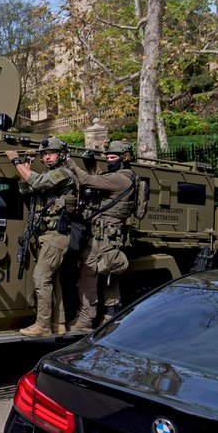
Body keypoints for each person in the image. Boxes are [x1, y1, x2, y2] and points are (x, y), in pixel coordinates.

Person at [6, 137, 78, 337]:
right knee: (52, 280)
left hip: (57, 235)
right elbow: (27, 188)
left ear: (61, 155)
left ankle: (43, 325)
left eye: (51, 153)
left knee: (41, 276)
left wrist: (15, 161)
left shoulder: (63, 174)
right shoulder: (50, 175)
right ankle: (58, 323)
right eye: (44, 154)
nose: (46, 157)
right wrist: (25, 166)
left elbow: (35, 181)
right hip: (47, 235)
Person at [64, 140, 137, 329]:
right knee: (108, 279)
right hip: (109, 238)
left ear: (125, 158)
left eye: (113, 157)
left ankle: (87, 319)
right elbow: (98, 178)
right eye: (108, 157)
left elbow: (87, 180)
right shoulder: (126, 177)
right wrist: (92, 165)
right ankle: (108, 318)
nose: (109, 160)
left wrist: (71, 163)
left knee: (89, 278)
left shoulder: (120, 179)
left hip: (101, 238)